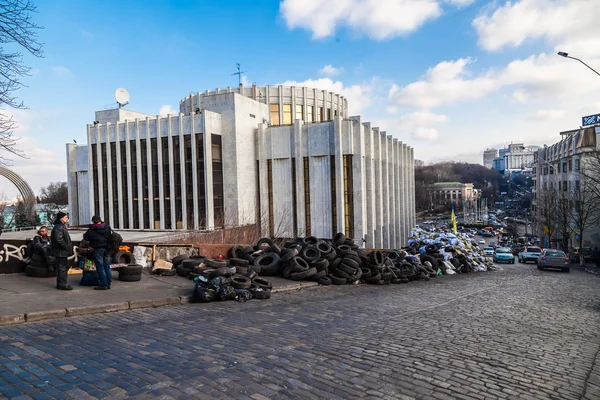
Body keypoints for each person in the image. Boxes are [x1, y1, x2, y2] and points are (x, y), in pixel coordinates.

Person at [83, 216, 112, 290]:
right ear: (100, 220)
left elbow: (86, 237)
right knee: (107, 266)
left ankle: (103, 284)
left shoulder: (92, 230)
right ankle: (108, 283)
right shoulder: (107, 227)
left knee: (100, 267)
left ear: (93, 221)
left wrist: (90, 228)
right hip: (107, 248)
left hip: (98, 249)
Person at [50, 212, 73, 290]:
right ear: (61, 218)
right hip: (61, 251)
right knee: (62, 268)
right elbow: (59, 239)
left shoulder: (59, 226)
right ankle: (62, 284)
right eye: (65, 217)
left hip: (60, 251)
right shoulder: (59, 227)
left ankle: (61, 283)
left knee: (62, 267)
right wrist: (66, 247)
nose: (67, 219)